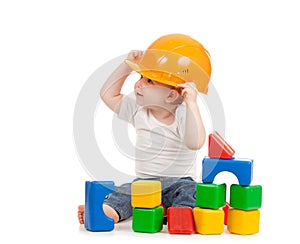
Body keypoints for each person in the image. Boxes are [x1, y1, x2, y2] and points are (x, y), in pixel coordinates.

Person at [78, 34, 211, 225]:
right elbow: (108, 94)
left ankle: (181, 216)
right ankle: (107, 211)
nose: (138, 83)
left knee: (193, 193)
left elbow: (195, 142)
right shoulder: (138, 109)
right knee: (124, 192)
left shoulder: (184, 115)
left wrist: (192, 104)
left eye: (149, 81)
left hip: (181, 182)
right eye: (141, 76)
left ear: (172, 96)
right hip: (145, 183)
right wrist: (127, 64)